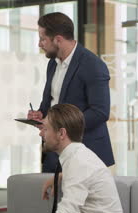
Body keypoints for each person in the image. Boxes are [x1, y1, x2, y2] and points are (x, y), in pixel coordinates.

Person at [3, 104, 125, 213]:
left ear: (61, 133)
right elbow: (84, 176)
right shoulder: (75, 160)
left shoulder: (79, 161)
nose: (41, 133)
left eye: (45, 128)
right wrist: (60, 177)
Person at [28, 12, 114, 172]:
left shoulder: (93, 65)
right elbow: (52, 103)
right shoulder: (52, 64)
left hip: (87, 151)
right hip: (55, 151)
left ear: (58, 40)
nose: (40, 44)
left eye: (42, 39)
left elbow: (100, 112)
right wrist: (41, 114)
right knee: (53, 196)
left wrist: (58, 125)